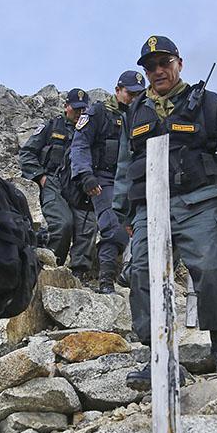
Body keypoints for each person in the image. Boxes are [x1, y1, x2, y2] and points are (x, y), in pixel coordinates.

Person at [113, 36, 217, 390]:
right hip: (150, 207)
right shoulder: (134, 112)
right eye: (150, 66)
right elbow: (123, 166)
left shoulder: (207, 104)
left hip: (199, 201)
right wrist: (124, 214)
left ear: (180, 63)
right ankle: (158, 357)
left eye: (164, 63)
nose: (158, 71)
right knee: (142, 274)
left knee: (215, 266)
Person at [69, 71, 145, 293]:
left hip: (134, 180)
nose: (133, 98)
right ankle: (106, 281)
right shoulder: (99, 113)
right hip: (103, 179)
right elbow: (80, 144)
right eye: (129, 93)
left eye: (138, 94)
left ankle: (132, 275)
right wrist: (85, 175)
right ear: (118, 90)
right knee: (113, 226)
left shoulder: (143, 114)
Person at [19, 89, 97, 279]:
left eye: (82, 109)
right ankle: (52, 268)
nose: (79, 113)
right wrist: (40, 177)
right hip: (54, 183)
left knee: (87, 226)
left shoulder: (91, 130)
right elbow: (27, 153)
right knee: (63, 224)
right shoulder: (52, 127)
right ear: (66, 107)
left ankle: (78, 274)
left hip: (79, 185)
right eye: (75, 108)